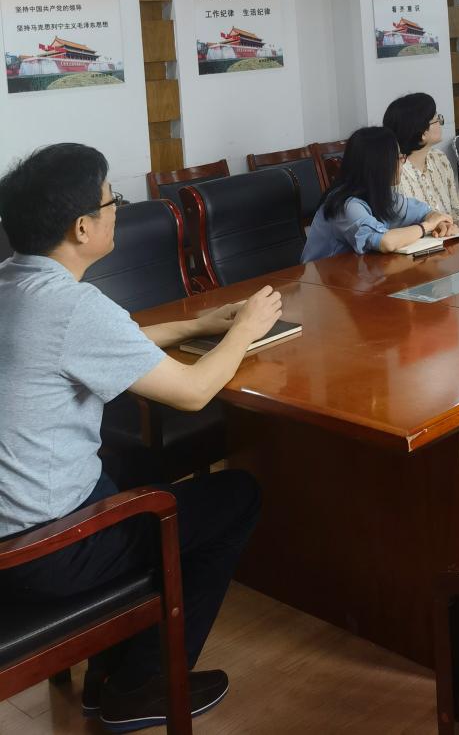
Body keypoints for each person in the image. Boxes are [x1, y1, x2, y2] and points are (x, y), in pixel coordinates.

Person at [0, 143, 282, 730]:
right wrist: (247, 329)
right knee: (236, 497)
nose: (118, 212)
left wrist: (201, 323)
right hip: (45, 551)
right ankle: (141, 683)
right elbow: (194, 391)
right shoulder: (71, 307)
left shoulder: (15, 282)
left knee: (141, 466)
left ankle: (111, 669)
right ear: (82, 227)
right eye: (113, 202)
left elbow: (111, 339)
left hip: (14, 526)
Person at [302, 126, 457, 259]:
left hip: (357, 275)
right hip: (322, 282)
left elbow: (424, 212)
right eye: (399, 158)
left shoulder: (381, 195)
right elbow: (385, 242)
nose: (403, 163)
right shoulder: (346, 206)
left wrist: (440, 223)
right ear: (380, 165)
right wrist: (427, 226)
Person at [383, 92, 459, 222]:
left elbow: (456, 210)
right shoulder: (395, 172)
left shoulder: (439, 158)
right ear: (422, 133)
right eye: (437, 119)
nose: (441, 122)